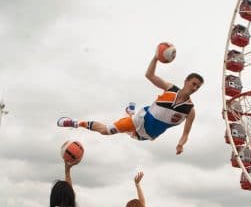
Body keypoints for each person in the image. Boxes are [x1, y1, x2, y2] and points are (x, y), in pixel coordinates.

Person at [57, 54, 204, 155]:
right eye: (194, 84)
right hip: (139, 119)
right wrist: (155, 58)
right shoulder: (170, 89)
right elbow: (149, 76)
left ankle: (129, 112)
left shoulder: (190, 111)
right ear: (186, 81)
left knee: (129, 134)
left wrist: (181, 144)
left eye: (198, 87)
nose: (195, 88)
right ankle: (75, 123)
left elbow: (185, 134)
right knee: (106, 131)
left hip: (147, 135)